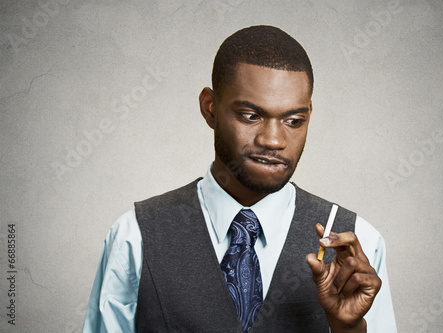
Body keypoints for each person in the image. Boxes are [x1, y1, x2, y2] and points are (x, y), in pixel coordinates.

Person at [82, 25, 397, 332]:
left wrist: (349, 329)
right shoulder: (135, 237)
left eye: (293, 120)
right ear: (210, 109)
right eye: (251, 116)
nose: (273, 140)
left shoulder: (360, 245)